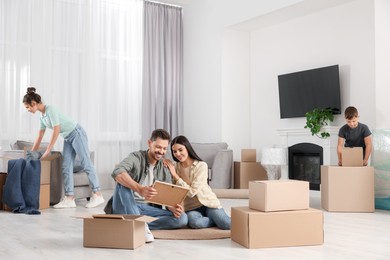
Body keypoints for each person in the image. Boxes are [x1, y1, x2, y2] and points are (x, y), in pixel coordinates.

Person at [23, 87, 105, 208]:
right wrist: (31, 153)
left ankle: (97, 194)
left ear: (33, 103)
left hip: (76, 133)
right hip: (67, 137)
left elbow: (56, 130)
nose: (28, 110)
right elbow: (40, 135)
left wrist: (48, 150)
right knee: (66, 165)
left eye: (28, 107)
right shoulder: (43, 117)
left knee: (85, 162)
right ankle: (69, 198)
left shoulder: (50, 110)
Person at [106, 129, 188, 243]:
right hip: (124, 205)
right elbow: (117, 171)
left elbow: (166, 196)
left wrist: (172, 207)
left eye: (164, 148)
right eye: (158, 147)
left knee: (182, 219)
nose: (161, 151)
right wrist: (139, 189)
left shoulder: (164, 168)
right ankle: (139, 224)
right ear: (150, 143)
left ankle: (138, 224)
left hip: (146, 208)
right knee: (122, 182)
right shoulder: (136, 157)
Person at [164, 135, 231, 230]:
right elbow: (174, 190)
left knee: (226, 224)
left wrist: (176, 176)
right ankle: (214, 220)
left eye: (180, 150)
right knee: (195, 223)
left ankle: (218, 219)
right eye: (174, 151)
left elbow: (191, 192)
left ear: (187, 148)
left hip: (208, 203)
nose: (178, 154)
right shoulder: (175, 168)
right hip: (191, 208)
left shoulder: (201, 166)